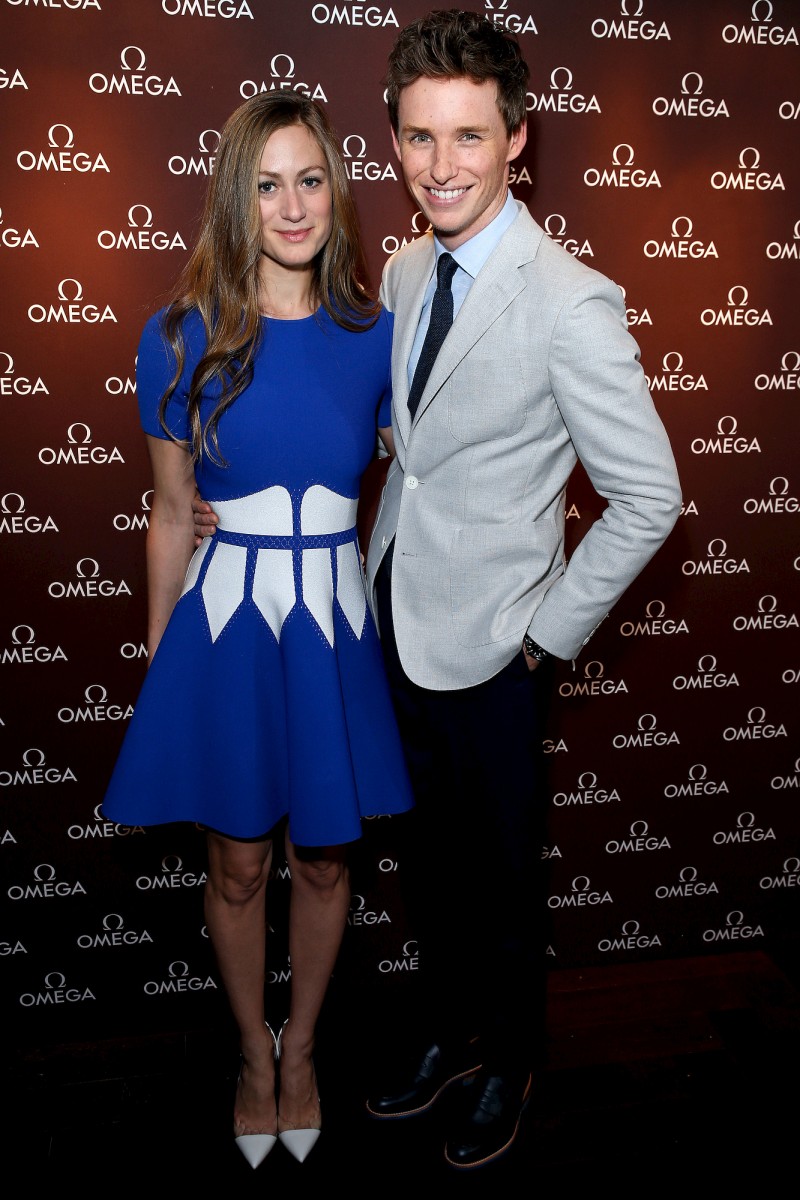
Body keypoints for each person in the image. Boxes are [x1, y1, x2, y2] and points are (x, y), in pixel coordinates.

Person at [193, 8, 682, 1171]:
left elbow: (649, 495)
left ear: (516, 137)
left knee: (502, 882)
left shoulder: (570, 299)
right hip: (386, 621)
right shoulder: (405, 268)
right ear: (395, 144)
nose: (441, 163)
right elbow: (348, 416)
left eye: (467, 136)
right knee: (432, 878)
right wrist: (240, 498)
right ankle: (456, 1033)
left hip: (498, 646)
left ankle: (510, 1061)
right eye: (418, 137)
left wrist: (543, 640)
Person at [102, 91, 414, 1171]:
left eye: (311, 178)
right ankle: (249, 1055)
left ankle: (304, 1053)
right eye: (268, 183)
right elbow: (165, 508)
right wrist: (158, 660)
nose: (292, 205)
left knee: (324, 865)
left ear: (337, 190)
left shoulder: (377, 333)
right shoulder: (180, 335)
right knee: (238, 868)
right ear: (236, 199)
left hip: (332, 632)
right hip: (224, 634)